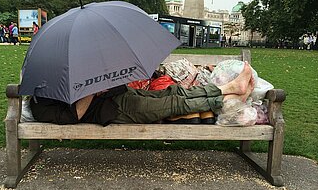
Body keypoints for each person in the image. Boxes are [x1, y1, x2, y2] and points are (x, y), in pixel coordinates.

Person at [30, 62, 255, 126]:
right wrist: (90, 91)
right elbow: (73, 117)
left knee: (174, 91)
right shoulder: (41, 106)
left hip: (120, 95)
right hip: (116, 111)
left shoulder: (59, 77)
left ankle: (229, 89)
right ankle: (228, 97)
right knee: (175, 104)